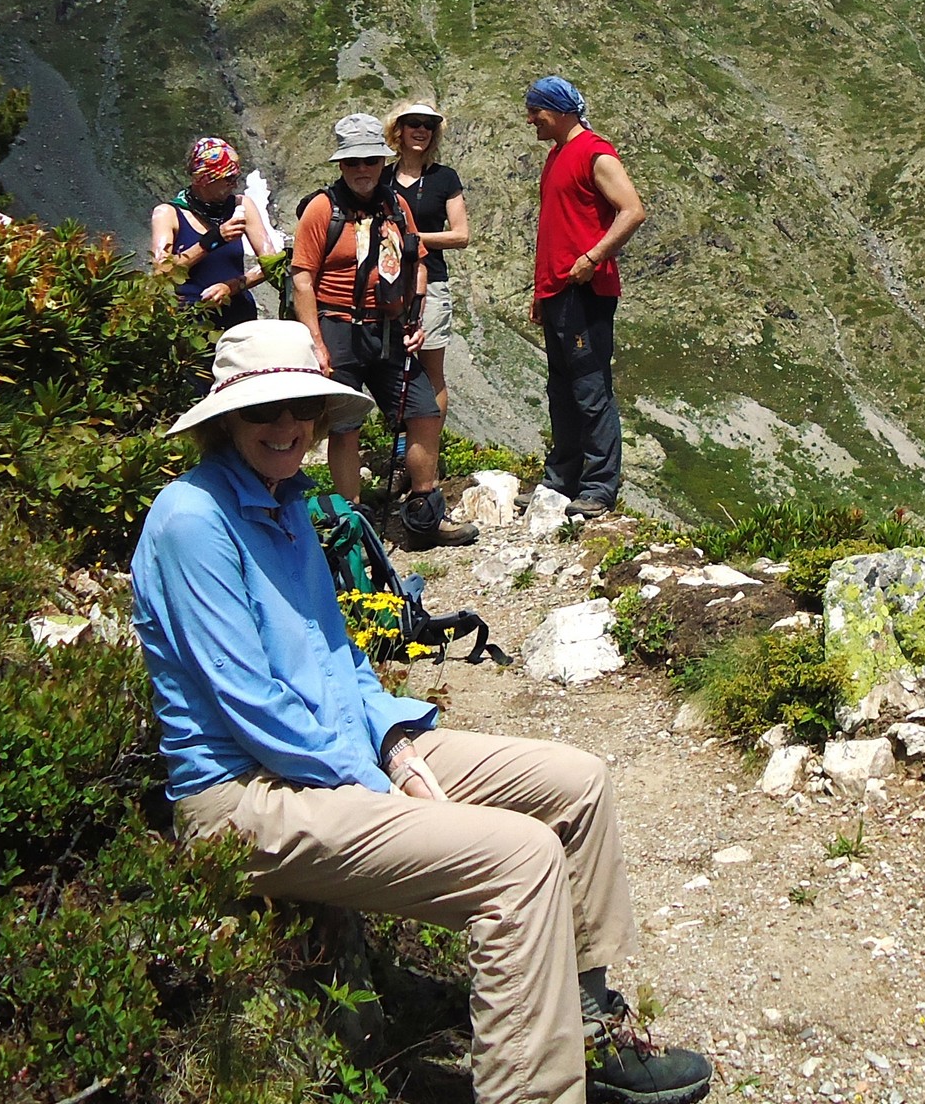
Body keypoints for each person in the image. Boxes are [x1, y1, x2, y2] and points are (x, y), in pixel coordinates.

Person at [132, 320, 713, 1104]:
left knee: (576, 783)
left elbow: (337, 660)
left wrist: (397, 744)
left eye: (300, 409)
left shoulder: (287, 503)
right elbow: (252, 708)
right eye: (263, 412)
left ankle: (585, 1026)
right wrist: (373, 786)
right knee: (520, 860)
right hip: (245, 796)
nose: (286, 427)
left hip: (334, 753)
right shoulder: (192, 521)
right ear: (224, 421)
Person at [295, 112, 477, 550]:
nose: (362, 170)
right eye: (352, 162)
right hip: (337, 327)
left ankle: (424, 512)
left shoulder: (396, 206)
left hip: (389, 328)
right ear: (340, 165)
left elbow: (414, 259)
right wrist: (315, 342)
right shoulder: (322, 209)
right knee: (346, 423)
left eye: (370, 161)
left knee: (423, 412)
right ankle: (350, 526)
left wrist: (413, 317)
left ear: (381, 161)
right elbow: (303, 277)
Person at [526, 76, 645, 518]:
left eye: (536, 111)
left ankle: (598, 487)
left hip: (585, 290)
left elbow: (632, 210)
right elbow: (554, 228)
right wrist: (542, 289)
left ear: (557, 111)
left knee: (590, 387)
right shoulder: (557, 156)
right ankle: (562, 480)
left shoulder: (595, 152)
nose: (530, 120)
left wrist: (593, 256)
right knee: (561, 388)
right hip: (558, 289)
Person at [388, 98, 469, 429]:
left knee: (432, 370)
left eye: (428, 125)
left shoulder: (445, 178)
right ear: (400, 130)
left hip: (431, 283)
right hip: (388, 285)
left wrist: (413, 238)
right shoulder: (381, 176)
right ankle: (401, 443)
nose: (421, 130)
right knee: (390, 369)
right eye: (414, 123)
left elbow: (461, 234)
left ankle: (427, 453)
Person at [152, 136, 277, 331]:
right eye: (228, 179)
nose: (234, 184)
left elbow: (271, 264)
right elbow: (162, 273)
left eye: (236, 177)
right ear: (204, 179)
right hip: (190, 323)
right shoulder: (168, 214)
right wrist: (213, 241)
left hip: (239, 318)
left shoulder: (241, 205)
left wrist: (231, 287)